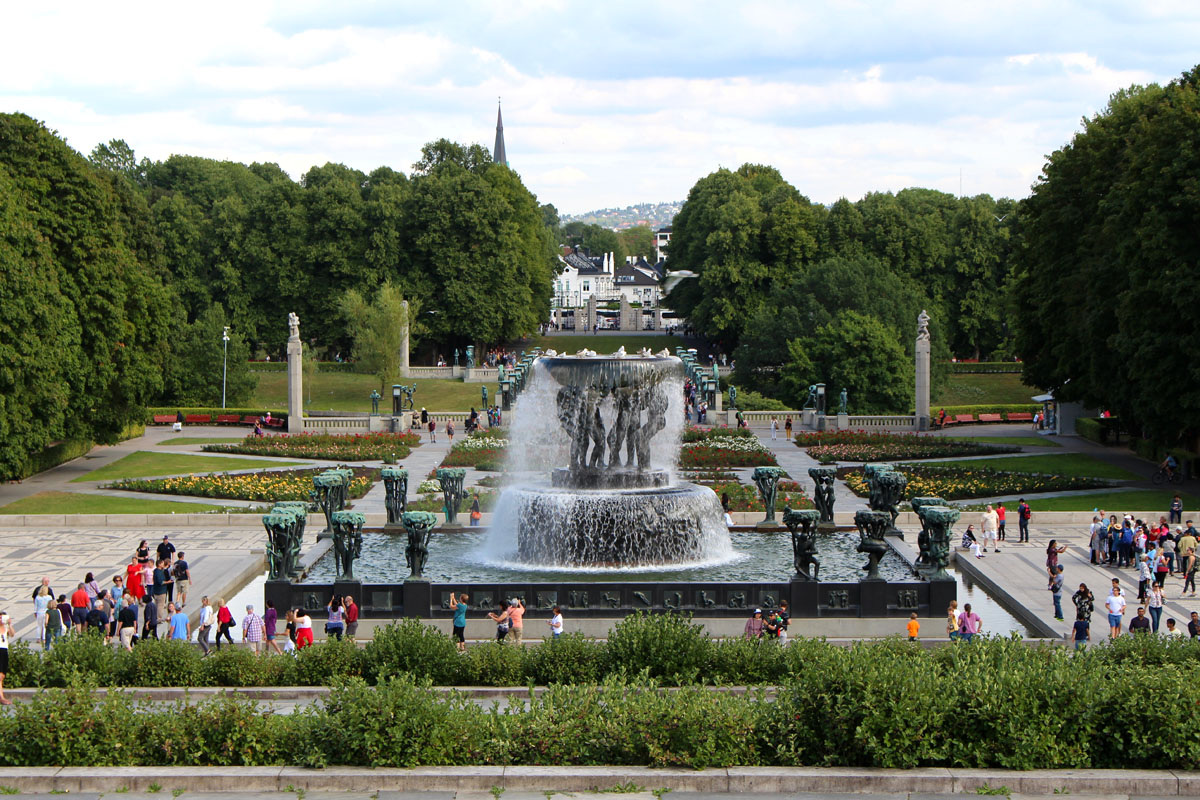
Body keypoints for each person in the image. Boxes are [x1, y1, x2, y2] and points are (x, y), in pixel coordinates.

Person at [0, 611, 13, 705]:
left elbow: (12, 634)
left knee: (3, 675)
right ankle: (1, 697)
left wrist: (10, 624)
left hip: (4, 651)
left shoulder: (6, 627)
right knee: (0, 676)